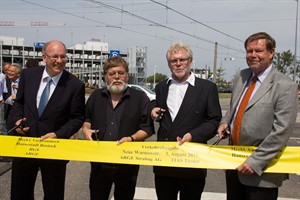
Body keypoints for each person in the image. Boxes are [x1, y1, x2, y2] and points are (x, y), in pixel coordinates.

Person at [217, 32, 298, 200]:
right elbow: (233, 110)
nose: (253, 55)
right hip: (234, 166)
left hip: (262, 173)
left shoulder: (285, 85)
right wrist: (225, 123)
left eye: (258, 51)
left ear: (271, 52)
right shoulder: (241, 77)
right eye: (249, 51)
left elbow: (282, 131)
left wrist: (255, 162)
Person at [9, 40, 86, 200]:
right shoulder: (28, 75)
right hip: (26, 145)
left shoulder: (75, 85)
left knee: (53, 194)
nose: (59, 61)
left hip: (54, 148)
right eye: (55, 57)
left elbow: (77, 118)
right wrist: (17, 122)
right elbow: (19, 103)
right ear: (44, 57)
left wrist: (57, 134)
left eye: (63, 57)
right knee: (19, 193)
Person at [151, 41, 222, 200]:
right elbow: (157, 106)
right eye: (174, 61)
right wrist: (152, 109)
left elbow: (213, 120)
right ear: (169, 64)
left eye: (182, 60)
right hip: (165, 161)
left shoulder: (207, 88)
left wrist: (193, 135)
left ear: (190, 61)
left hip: (192, 160)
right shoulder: (161, 87)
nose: (178, 64)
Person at [82, 56, 154, 200]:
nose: (117, 77)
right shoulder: (96, 96)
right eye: (112, 73)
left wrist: (131, 139)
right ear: (105, 77)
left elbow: (147, 128)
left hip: (127, 164)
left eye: (121, 73)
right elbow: (87, 119)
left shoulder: (140, 98)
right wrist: (85, 129)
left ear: (127, 75)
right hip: (99, 162)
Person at [3, 63, 22, 130]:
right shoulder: (5, 80)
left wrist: (19, 89)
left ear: (18, 74)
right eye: (9, 70)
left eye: (12, 71)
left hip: (21, 110)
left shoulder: (24, 81)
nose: (9, 72)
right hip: (9, 109)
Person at [0, 62, 10, 134]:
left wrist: (2, 98)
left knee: (2, 123)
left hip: (1, 102)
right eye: (6, 70)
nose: (8, 71)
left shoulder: (2, 76)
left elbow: (4, 90)